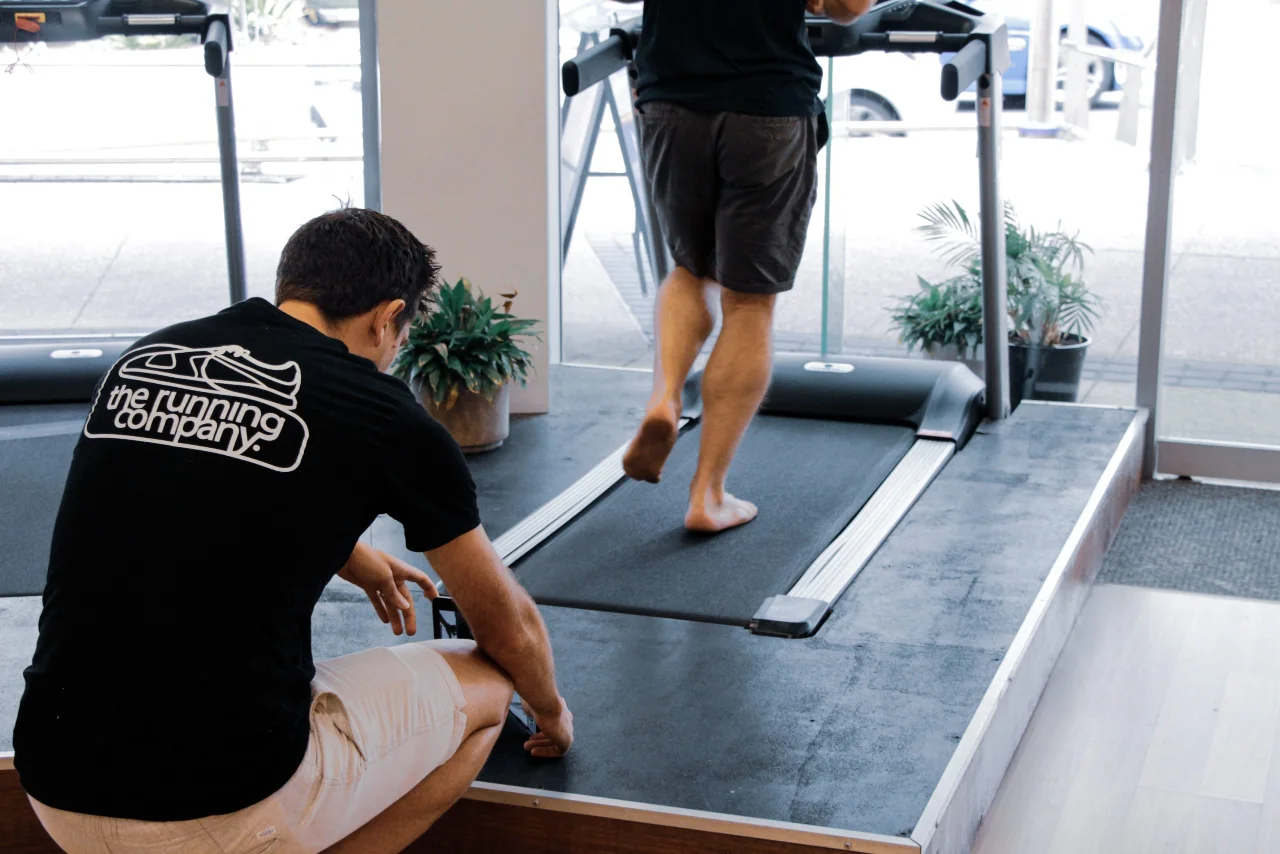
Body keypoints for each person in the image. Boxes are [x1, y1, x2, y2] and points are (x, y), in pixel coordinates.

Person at [13, 208, 573, 854]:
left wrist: (350, 554)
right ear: (388, 317)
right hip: (222, 807)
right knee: (490, 687)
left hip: (55, 781)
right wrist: (553, 714)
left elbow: (194, 486)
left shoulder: (147, 358)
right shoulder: (384, 414)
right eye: (400, 336)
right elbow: (506, 625)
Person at [620, 0, 873, 532]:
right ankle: (706, 496)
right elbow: (848, 7)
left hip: (671, 97)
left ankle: (665, 397)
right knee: (749, 301)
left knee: (689, 271)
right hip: (768, 103)